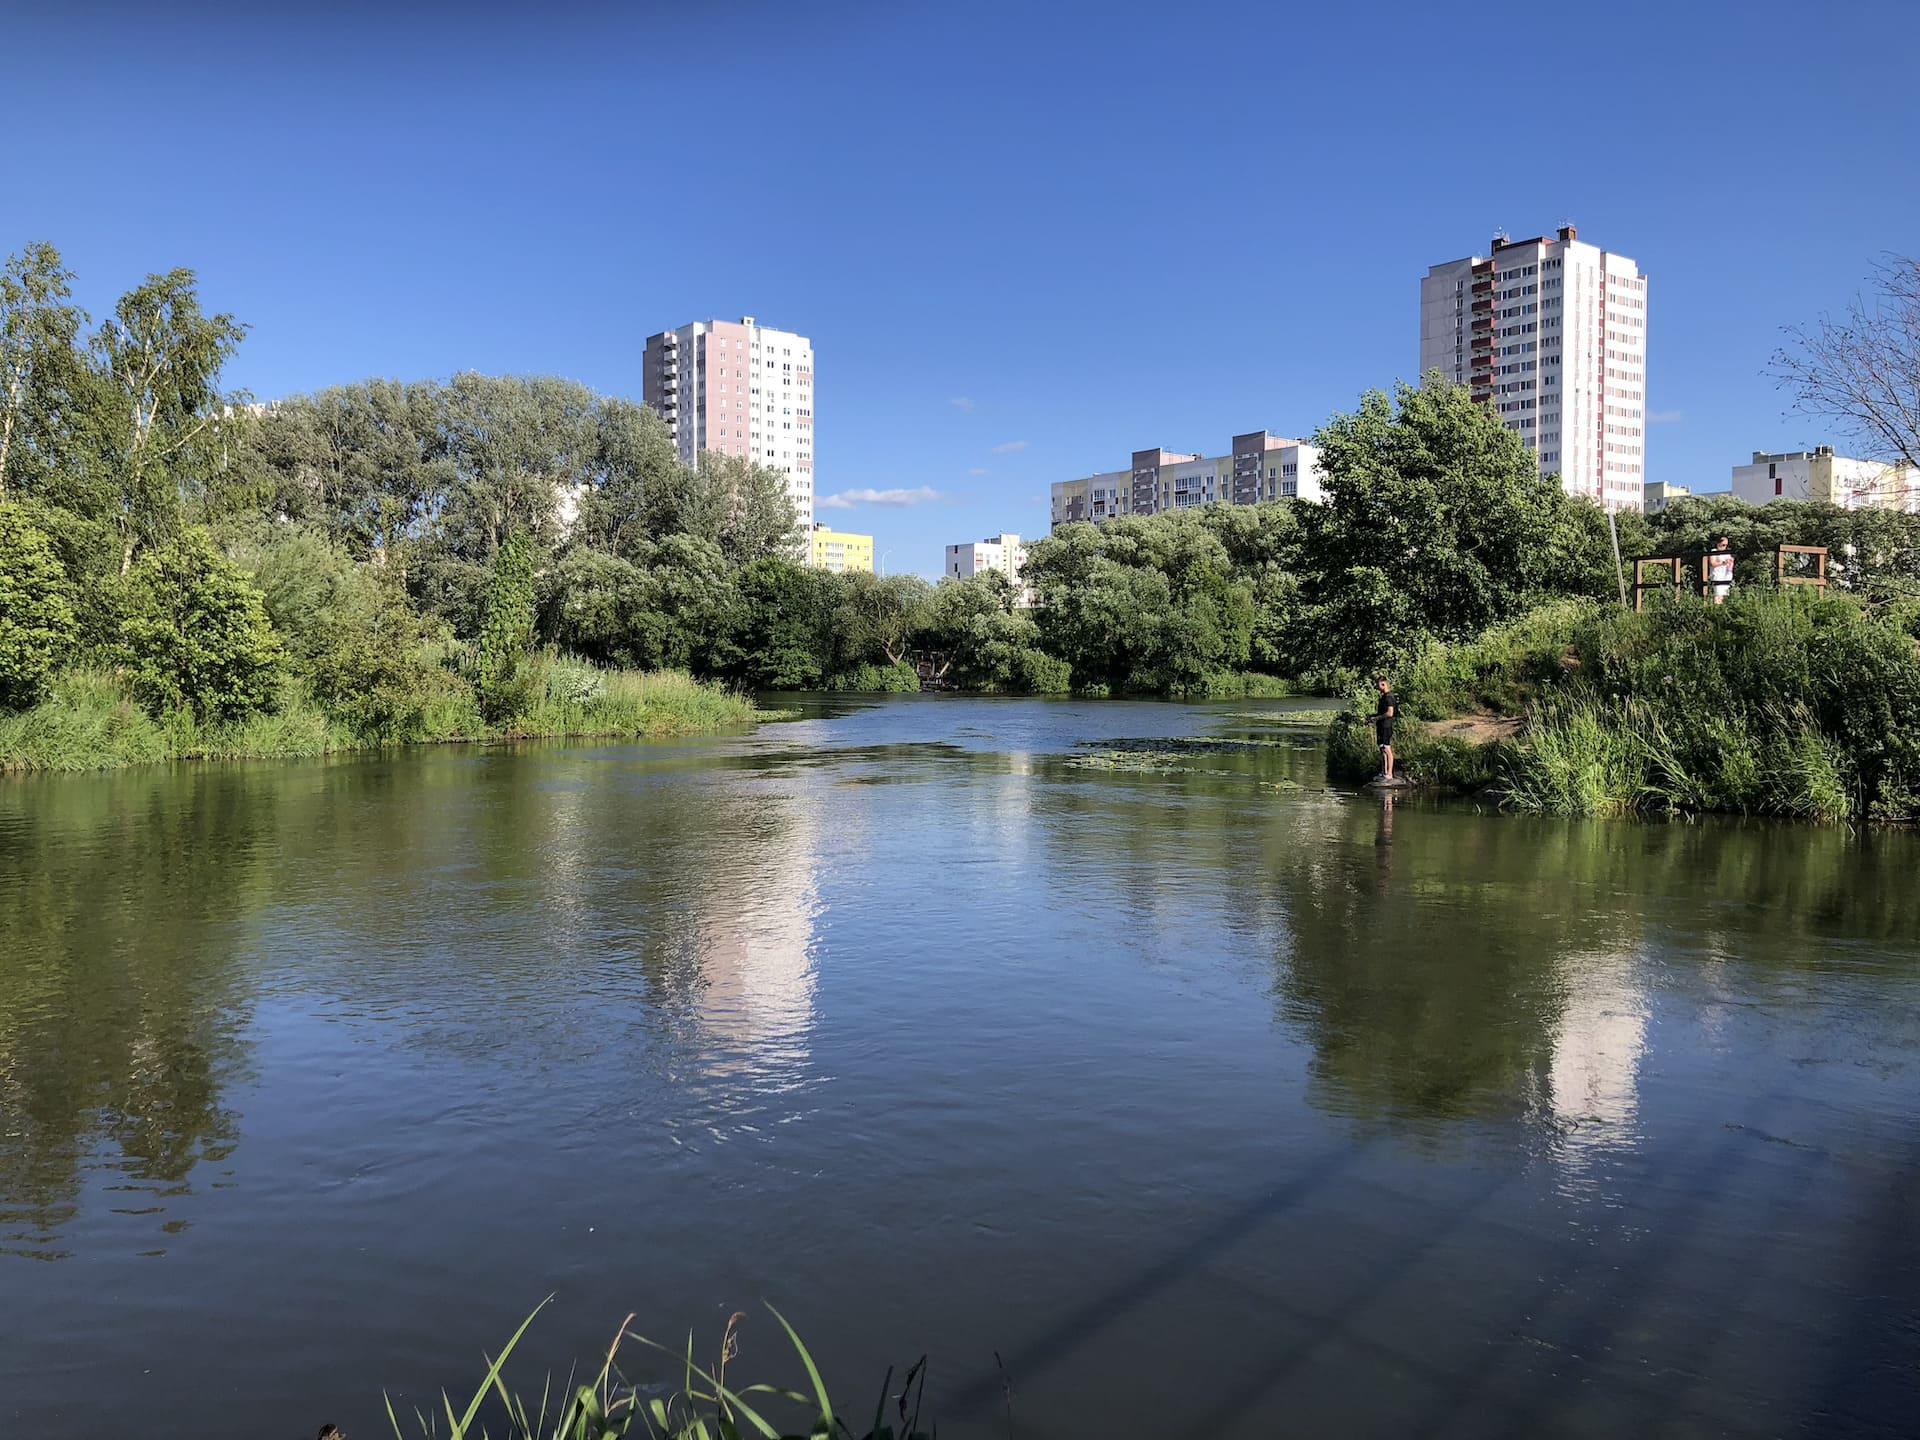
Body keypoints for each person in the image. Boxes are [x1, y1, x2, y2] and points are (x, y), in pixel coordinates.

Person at [1374, 676, 1397, 782]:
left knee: (1387, 749)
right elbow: (1381, 712)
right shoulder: (1383, 697)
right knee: (1382, 748)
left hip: (1386, 726)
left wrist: (1377, 718)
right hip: (1381, 726)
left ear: (1383, 684)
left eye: (1378, 685)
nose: (1377, 687)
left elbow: (1390, 713)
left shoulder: (1389, 697)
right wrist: (1373, 717)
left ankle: (1389, 773)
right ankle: (1384, 772)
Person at [1707, 536, 1735, 604]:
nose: (1724, 546)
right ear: (1718, 543)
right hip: (1717, 576)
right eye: (1723, 544)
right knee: (1718, 595)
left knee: (1724, 596)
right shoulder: (1714, 552)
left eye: (1725, 545)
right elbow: (1712, 563)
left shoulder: (1727, 553)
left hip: (1726, 576)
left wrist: (1731, 561)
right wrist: (1723, 563)